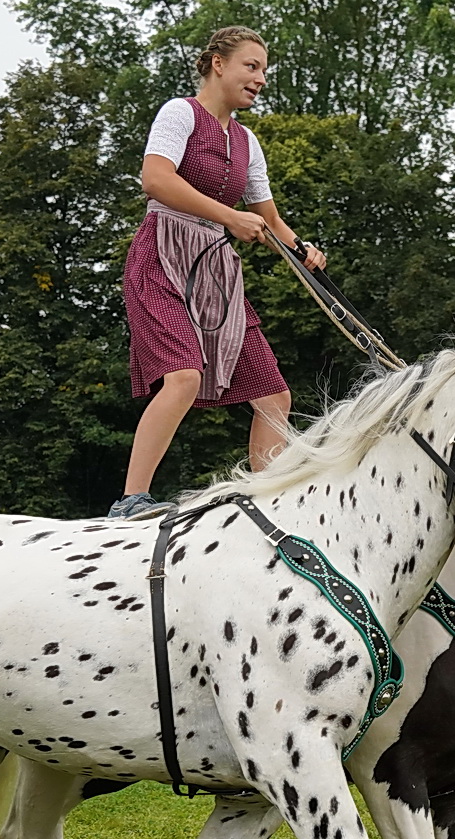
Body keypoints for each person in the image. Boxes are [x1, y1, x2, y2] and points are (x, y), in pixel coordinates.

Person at [111, 25, 325, 520]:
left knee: (274, 395)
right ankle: (130, 501)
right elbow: (155, 179)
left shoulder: (247, 141)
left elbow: (268, 219)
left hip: (215, 271)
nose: (261, 78)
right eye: (252, 66)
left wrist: (302, 249)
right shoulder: (180, 113)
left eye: (264, 70)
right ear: (218, 63)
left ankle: (267, 505)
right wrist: (230, 217)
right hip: (161, 257)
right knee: (183, 376)